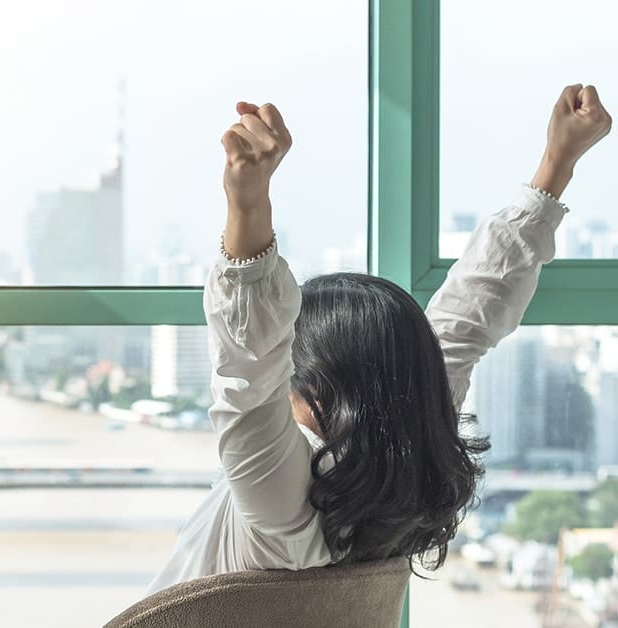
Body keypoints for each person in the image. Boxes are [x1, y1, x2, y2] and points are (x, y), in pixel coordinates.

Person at [148, 84, 613, 592]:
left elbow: (249, 360)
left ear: (322, 388)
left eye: (291, 364)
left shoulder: (282, 506)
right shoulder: (408, 452)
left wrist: (247, 201)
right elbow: (473, 308)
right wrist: (557, 161)